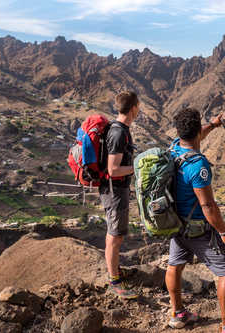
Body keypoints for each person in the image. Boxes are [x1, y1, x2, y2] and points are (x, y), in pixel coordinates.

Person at [165, 108, 225, 333]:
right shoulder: (198, 166)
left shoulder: (175, 147)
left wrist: (214, 125)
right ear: (196, 131)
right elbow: (208, 206)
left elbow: (197, 137)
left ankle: (177, 314)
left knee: (174, 265)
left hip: (175, 224)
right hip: (198, 228)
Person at [100, 91, 140, 299]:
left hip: (117, 190)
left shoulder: (121, 130)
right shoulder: (118, 133)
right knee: (115, 236)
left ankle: (114, 272)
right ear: (133, 108)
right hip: (114, 191)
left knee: (117, 233)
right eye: (138, 105)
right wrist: (136, 166)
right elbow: (113, 170)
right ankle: (114, 281)